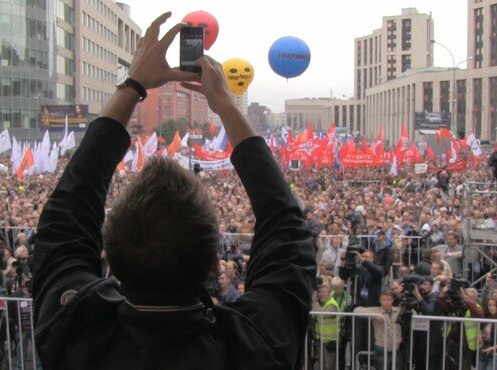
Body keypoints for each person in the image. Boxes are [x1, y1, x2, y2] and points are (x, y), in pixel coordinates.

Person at [32, 13, 316, 370]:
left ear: (109, 259)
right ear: (215, 261)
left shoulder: (75, 329)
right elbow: (288, 229)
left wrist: (133, 83)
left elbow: (63, 218)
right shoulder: (252, 346)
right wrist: (226, 105)